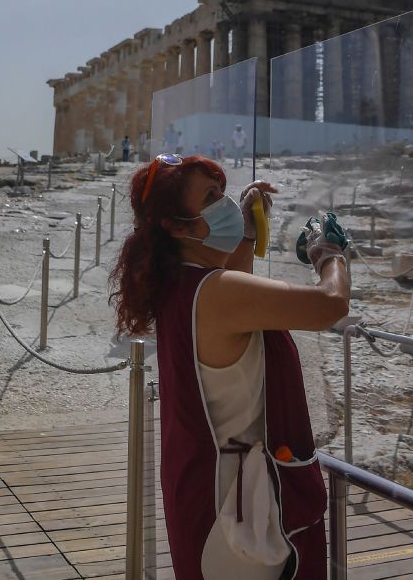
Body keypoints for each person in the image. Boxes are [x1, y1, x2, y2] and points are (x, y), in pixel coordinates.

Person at [110, 154, 350, 579]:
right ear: (177, 224)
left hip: (211, 495)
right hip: (242, 513)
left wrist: (246, 229)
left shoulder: (182, 286)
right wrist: (328, 254)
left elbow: (234, 296)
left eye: (222, 193)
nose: (222, 204)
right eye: (210, 197)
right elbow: (329, 306)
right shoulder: (214, 293)